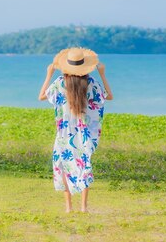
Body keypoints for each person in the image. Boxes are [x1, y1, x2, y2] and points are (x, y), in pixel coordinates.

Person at [38, 47, 113, 213]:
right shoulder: (91, 83)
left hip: (64, 134)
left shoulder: (60, 83)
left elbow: (41, 96)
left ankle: (68, 207)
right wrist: (102, 74)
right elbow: (109, 96)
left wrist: (49, 74)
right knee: (84, 165)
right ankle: (84, 207)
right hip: (84, 134)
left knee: (64, 165)